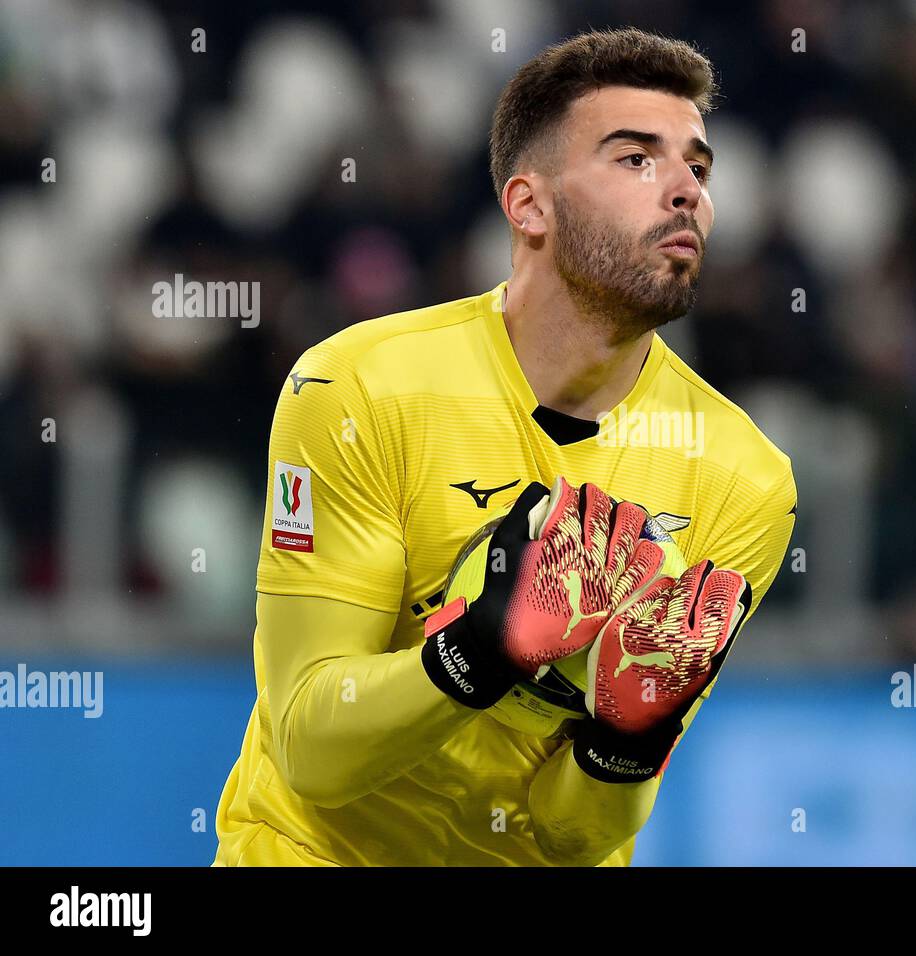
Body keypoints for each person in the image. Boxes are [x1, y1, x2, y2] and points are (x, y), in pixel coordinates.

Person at [213, 26, 796, 866]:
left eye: (698, 167)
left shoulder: (745, 481)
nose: (686, 192)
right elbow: (311, 748)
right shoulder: (359, 387)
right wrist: (479, 649)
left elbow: (574, 834)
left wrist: (629, 740)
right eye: (636, 159)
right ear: (530, 206)